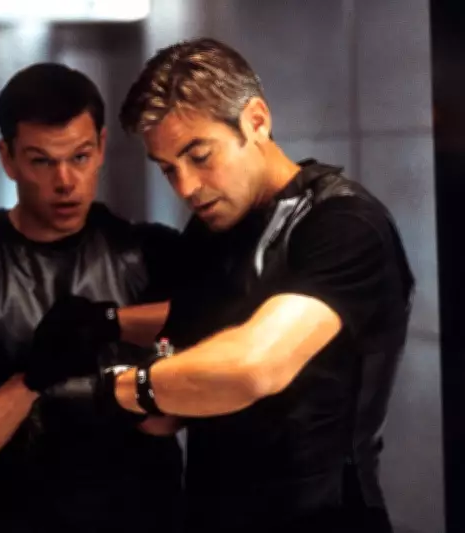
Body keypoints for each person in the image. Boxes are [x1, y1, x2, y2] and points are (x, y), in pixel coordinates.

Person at [50, 38, 416, 532]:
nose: (186, 187)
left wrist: (112, 389)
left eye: (200, 156)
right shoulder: (208, 235)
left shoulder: (344, 225)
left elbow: (252, 366)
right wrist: (68, 384)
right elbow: (170, 407)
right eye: (169, 169)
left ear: (256, 121)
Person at [0, 62, 184, 533]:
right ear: (8, 158)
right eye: (41, 161)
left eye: (79, 156)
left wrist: (116, 332)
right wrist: (31, 380)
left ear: (101, 147)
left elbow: (208, 356)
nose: (64, 181)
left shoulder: (151, 254)